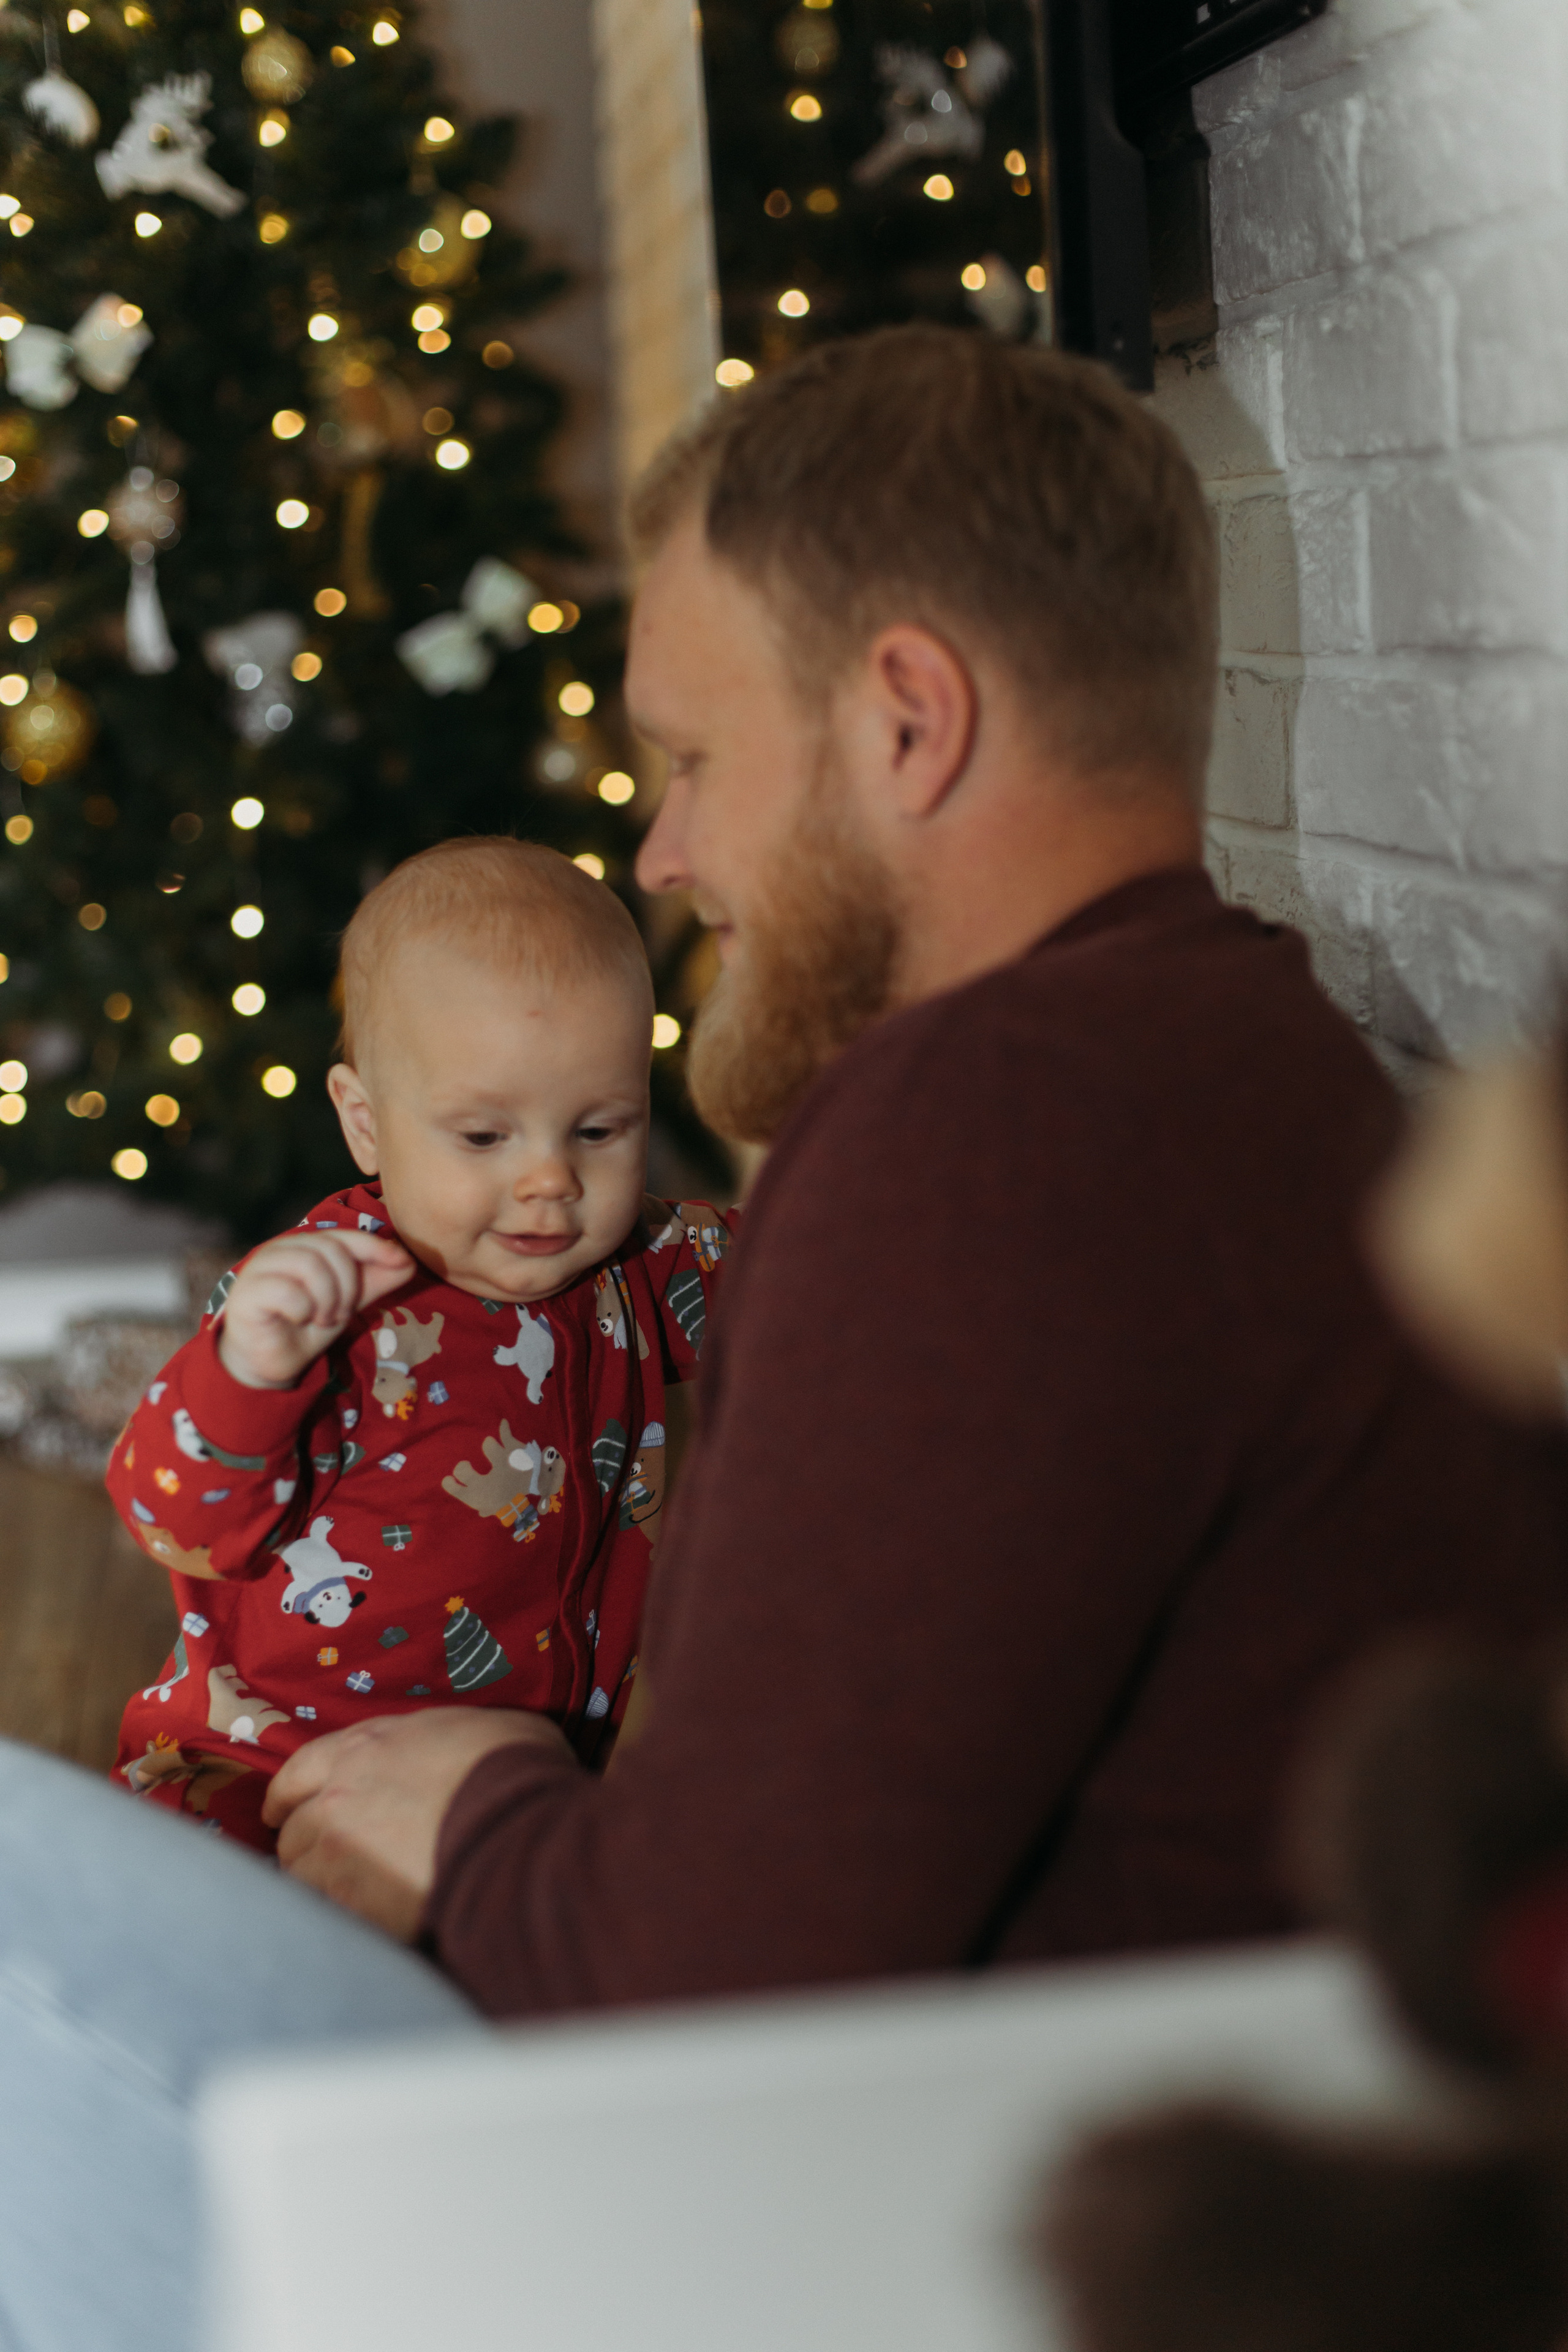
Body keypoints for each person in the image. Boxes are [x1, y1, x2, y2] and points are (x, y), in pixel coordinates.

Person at [0, 326, 1562, 2352]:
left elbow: (702, 1976)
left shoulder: (989, 1126)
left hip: (842, 2202)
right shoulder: (1257, 1055)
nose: (662, 856)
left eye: (692, 758)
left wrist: (460, 1814)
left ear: (906, 722)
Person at [108, 837, 728, 1850]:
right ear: (365, 1123)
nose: (549, 1182)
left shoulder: (646, 1265)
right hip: (263, 1778)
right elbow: (169, 1513)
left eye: (599, 1130)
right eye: (485, 1137)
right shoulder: (327, 1301)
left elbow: (805, 1258)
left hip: (514, 1794)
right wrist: (243, 1373)